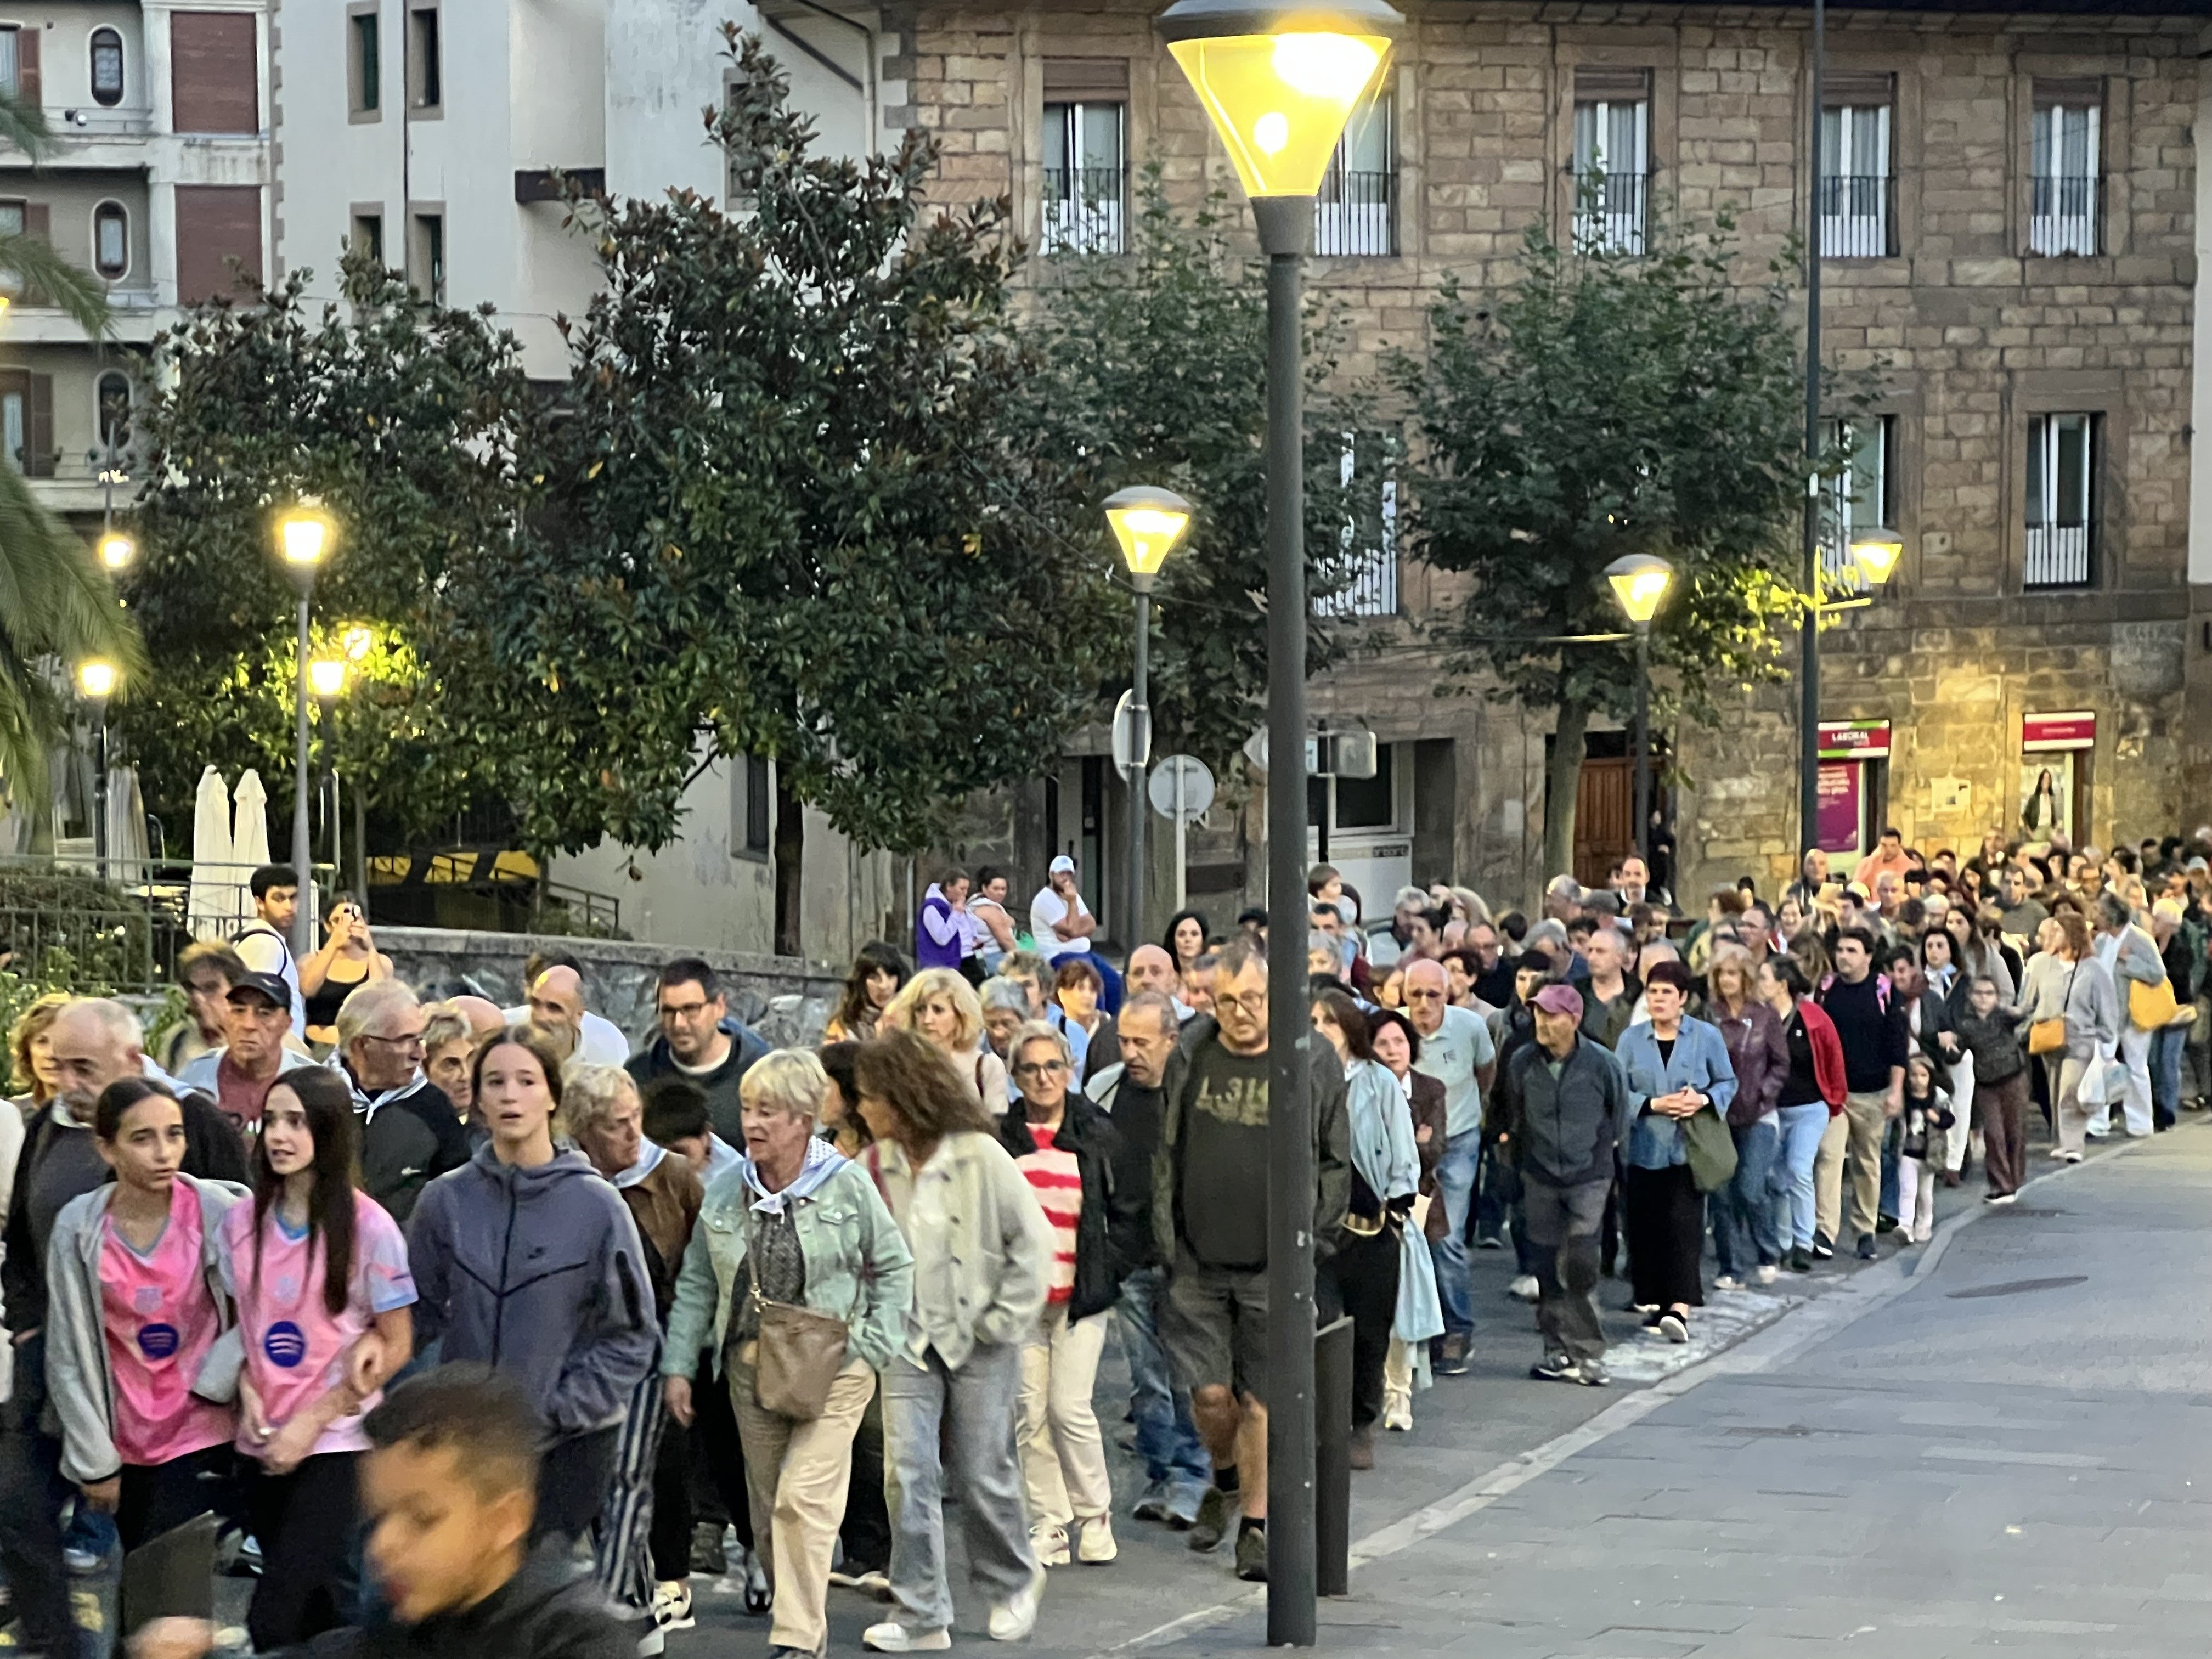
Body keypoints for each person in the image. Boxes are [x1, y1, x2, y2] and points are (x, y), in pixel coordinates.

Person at [663, 1050, 913, 1659]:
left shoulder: (848, 1185)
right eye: (749, 1109)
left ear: (804, 1119)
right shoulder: (726, 1190)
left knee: (804, 1499)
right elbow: (697, 1281)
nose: (752, 1122)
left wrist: (871, 1346)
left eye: (768, 1111)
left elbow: (895, 1266)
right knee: (772, 1509)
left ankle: (798, 1640)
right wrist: (678, 1365)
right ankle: (798, 1613)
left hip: (835, 1365)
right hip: (751, 1369)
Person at [133, 1364, 637, 1659]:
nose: (384, 1546)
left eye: (422, 1518)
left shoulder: (579, 1644)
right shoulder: (405, 1628)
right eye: (378, 1518)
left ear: (505, 1520)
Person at [405, 1025, 658, 1544]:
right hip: (469, 1442)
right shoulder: (445, 1201)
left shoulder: (598, 1206)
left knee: (536, 1592)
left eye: (526, 1081)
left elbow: (633, 1335)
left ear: (551, 1096)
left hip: (567, 1446)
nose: (511, 1096)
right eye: (495, 1082)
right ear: (477, 1099)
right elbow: (413, 1317)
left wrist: (563, 1407)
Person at [1152, 937, 1350, 1584]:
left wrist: (1313, 1237)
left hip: (1277, 1263)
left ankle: (1256, 1527)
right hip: (1199, 1259)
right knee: (1212, 1398)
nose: (1239, 1014)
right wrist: (1168, 1239)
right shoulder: (1192, 1052)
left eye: (1253, 1001)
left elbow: (1332, 1156)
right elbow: (1167, 1150)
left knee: (1262, 1402)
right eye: (1226, 1001)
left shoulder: (1312, 1059)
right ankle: (1226, 1477)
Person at [850, 1029, 1052, 1652]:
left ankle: (1012, 1580)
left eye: (870, 1097)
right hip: (908, 1340)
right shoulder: (871, 1167)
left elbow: (1035, 1243)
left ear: (902, 1096)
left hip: (981, 1338)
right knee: (905, 1474)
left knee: (984, 1469)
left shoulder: (981, 1156)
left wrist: (1001, 1319)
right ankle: (921, 1613)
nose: (861, 1108)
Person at [220, 1066, 416, 1650]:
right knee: (318, 1610)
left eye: (296, 1122)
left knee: (272, 1616)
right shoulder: (238, 1222)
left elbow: (396, 1340)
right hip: (260, 1440)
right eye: (271, 1120)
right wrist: (248, 1390)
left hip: (335, 1443)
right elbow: (239, 1331)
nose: (278, 1136)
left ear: (328, 1131)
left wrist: (314, 1418)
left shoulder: (370, 1229)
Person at [44, 1077, 244, 1556]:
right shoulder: (79, 1226)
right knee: (135, 1597)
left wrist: (215, 1379)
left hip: (201, 1431)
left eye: (173, 1134)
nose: (163, 1152)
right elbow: (68, 1353)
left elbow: (264, 1310)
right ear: (107, 1149)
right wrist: (95, 1461)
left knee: (174, 1590)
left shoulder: (216, 1211)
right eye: (142, 1138)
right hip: (124, 1438)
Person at [564, 1065, 705, 1641]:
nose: (633, 1136)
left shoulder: (672, 1177)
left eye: (636, 1121)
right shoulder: (564, 1179)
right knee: (593, 1480)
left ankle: (617, 1610)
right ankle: (643, 1610)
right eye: (618, 1126)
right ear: (584, 1131)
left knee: (626, 1476)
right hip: (578, 1346)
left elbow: (700, 1272)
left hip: (652, 1340)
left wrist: (689, 1359)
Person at [999, 1023, 1137, 1568]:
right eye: (1030, 1069)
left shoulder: (1097, 1133)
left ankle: (1095, 1513)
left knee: (1068, 1407)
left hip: (1082, 1296)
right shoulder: (1001, 1141)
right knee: (1028, 1412)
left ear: (1069, 1069)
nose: (1042, 1078)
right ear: (1015, 1076)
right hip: (1023, 1299)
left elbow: (1128, 1210)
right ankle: (1049, 1521)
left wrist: (1110, 1271)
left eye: (1052, 1066)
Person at [1083, 994, 1209, 1527]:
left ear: (1171, 1039)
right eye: (1125, 1041)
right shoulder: (1104, 1090)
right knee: (1147, 1377)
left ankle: (1196, 1477)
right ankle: (1161, 1475)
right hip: (1128, 1254)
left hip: (1188, 1256)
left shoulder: (1196, 1093)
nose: (1131, 1052)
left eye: (1142, 1042)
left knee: (1190, 1375)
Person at [1308, 992, 1418, 1468]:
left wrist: (1395, 1211)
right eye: (1312, 1021)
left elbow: (1402, 1151)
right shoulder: (1305, 1080)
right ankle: (1323, 1423)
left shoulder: (1379, 1083)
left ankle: (1360, 1423)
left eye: (1326, 1022)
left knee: (1371, 1332)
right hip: (1321, 1226)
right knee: (1322, 1322)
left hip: (1372, 1228)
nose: (1317, 1029)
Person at [1500, 983, 1628, 1386]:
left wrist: (1604, 1154)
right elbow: (1512, 1112)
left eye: (1552, 1015)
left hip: (1589, 1173)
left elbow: (1620, 1114)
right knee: (1545, 1265)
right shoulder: (1522, 1061)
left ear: (1573, 1020)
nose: (1543, 1022)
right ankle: (1556, 1349)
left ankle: (1588, 1351)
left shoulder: (1602, 1063)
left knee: (1579, 1260)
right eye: (1539, 1014)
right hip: (1539, 1173)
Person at [1612, 962, 1735, 1342]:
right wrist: (1651, 1105)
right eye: (1653, 992)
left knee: (1684, 1227)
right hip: (1644, 1148)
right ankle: (1657, 1301)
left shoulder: (1705, 1036)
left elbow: (1727, 1081)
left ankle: (1680, 1307)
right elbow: (1618, 1092)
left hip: (1688, 1150)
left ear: (1683, 999)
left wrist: (1703, 1099)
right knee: (1647, 1228)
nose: (1659, 1000)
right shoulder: (1631, 1040)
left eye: (1667, 993)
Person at [1401, 958, 1496, 1375]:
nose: (1423, 1004)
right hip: (1406, 1145)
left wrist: (1471, 1114)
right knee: (1411, 1237)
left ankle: (1457, 1329)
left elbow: (1486, 1072)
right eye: (1415, 995)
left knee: (1448, 1237)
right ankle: (1423, 1330)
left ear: (1448, 995)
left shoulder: (1469, 1027)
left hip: (1457, 1140)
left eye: (1432, 995)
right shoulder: (1394, 1030)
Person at [1368, 1007, 1447, 1426]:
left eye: (1399, 1041)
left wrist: (1415, 1144)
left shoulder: (1430, 1088)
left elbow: (1432, 1150)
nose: (1392, 1049)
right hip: (1366, 1207)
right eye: (1382, 1043)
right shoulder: (1361, 1090)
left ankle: (1399, 1395)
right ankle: (1377, 1391)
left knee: (1404, 1303)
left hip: (1414, 1204)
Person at [336, 981, 472, 1223]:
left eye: (419, 1041)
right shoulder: (314, 1099)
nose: (419, 1054)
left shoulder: (433, 1106)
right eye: (406, 1041)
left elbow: (459, 1201)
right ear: (362, 1045)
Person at [1814, 929, 1909, 1261]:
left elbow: (1898, 1045)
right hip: (1835, 1093)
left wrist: (1897, 1090)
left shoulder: (1883, 991)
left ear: (1868, 956)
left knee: (1867, 1164)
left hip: (1873, 1092)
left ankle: (1865, 1229)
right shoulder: (1827, 990)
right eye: (1840, 950)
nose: (1844, 956)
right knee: (1828, 1157)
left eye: (1852, 950)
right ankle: (1825, 1230)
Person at [1703, 952, 1787, 1290]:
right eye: (1721, 973)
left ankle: (1768, 1252)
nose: (1727, 980)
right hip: (1719, 1116)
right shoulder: (1709, 1016)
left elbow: (1780, 1065)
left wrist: (1764, 1093)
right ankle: (1731, 1267)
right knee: (1721, 1195)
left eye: (1733, 973)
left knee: (1751, 1188)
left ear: (1745, 978)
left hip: (1759, 1116)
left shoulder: (1766, 1017)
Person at [624, 957, 771, 1147]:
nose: (678, 1023)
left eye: (691, 1009)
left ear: (719, 1007)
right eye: (668, 1011)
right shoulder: (640, 1075)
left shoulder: (759, 1073)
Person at [1758, 958, 1844, 1272]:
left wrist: (1835, 1099)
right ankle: (1783, 1243)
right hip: (1773, 1109)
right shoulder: (1760, 1017)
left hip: (1809, 1107)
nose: (1758, 982)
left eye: (1764, 977)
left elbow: (1833, 1055)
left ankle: (1804, 1241)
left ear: (1782, 984)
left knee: (1798, 1168)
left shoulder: (1813, 1017)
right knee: (1776, 1177)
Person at [178, 970, 321, 1136]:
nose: (248, 1025)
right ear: (227, 1018)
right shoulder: (194, 1077)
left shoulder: (311, 1084)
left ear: (286, 1025)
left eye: (265, 1014)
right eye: (239, 1011)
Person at [2030, 911, 2119, 1162]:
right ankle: (2060, 1140)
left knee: (2070, 1091)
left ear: (2073, 934)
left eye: (2059, 930)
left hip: (2081, 1039)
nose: (2053, 935)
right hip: (2049, 1037)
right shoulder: (2042, 964)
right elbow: (2030, 1000)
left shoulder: (2094, 969)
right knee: (2054, 1091)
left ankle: (2073, 1144)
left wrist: (2101, 1036)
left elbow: (2108, 1007)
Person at [883, 968, 1007, 1114]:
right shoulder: (900, 1066)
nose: (928, 1020)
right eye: (921, 1009)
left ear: (960, 1016)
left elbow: (997, 1127)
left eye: (938, 1010)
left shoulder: (986, 1066)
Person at [2094, 891, 2164, 1139]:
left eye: (2100, 913)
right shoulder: (2101, 941)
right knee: (2100, 1065)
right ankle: (2098, 1121)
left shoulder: (2140, 939)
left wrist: (2130, 961)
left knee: (2136, 1067)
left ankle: (2141, 1122)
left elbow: (2158, 973)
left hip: (2134, 1015)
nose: (2096, 917)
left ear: (2112, 916)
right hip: (2106, 1013)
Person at [1955, 975, 2030, 1201]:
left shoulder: (2004, 1017)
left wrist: (2024, 1010)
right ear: (1971, 996)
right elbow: (1958, 1050)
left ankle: (2015, 1180)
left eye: (1989, 993)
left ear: (1997, 997)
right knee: (1994, 1133)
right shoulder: (1965, 1023)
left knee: (2015, 1132)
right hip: (1987, 1084)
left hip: (2014, 1078)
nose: (1984, 998)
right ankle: (2001, 1185)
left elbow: (2026, 1015)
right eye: (1979, 993)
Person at [498, 952, 631, 1068]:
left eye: (554, 1008)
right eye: (536, 1003)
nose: (541, 1016)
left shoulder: (609, 1043)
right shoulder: (501, 1030)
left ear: (579, 1015)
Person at [299, 895, 394, 1052]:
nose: (346, 927)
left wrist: (370, 947)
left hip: (360, 1048)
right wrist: (334, 944)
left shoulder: (381, 962)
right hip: (318, 1046)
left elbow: (380, 1000)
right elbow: (308, 989)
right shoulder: (310, 961)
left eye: (352, 920)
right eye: (338, 921)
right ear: (328, 925)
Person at [233, 864, 307, 1041]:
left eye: (293, 898)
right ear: (260, 903)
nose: (289, 907)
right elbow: (258, 1006)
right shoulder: (265, 944)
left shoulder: (261, 939)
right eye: (279, 899)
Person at [157, 942, 249, 1076]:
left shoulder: (268, 1042)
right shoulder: (177, 1042)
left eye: (210, 988)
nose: (197, 998)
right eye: (191, 988)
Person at [1893, 1054, 1954, 1245]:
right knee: (1907, 1190)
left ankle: (1924, 1226)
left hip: (1930, 1154)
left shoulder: (1938, 1097)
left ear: (1930, 1077)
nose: (1918, 1080)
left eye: (1923, 1075)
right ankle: (1905, 1225)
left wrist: (1936, 1118)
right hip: (1908, 1152)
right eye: (1913, 1075)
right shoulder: (1904, 1098)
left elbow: (1949, 1120)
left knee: (1925, 1194)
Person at [1048, 957, 1118, 1085]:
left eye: (1092, 990)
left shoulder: (1108, 1025)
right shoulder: (1054, 1030)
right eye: (1081, 988)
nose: (1088, 996)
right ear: (1062, 994)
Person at [825, 942, 910, 1043]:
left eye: (890, 977)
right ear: (861, 982)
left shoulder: (913, 1020)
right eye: (874, 978)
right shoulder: (842, 1027)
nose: (883, 986)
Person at [1577, 924, 1638, 1051]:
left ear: (1620, 957)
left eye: (1600, 951)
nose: (1592, 958)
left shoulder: (1638, 995)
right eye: (1590, 951)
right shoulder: (1575, 992)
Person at [1031, 855, 1097, 967]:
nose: (1065, 878)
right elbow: (1071, 929)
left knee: (1113, 979)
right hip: (1058, 956)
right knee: (1092, 981)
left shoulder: (1072, 894)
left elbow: (1091, 924)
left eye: (1069, 874)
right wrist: (1072, 902)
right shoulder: (1045, 898)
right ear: (1051, 875)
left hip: (1083, 953)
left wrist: (1072, 934)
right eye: (1061, 874)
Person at [917, 867, 975, 977]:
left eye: (967, 889)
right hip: (940, 966)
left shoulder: (952, 905)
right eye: (962, 889)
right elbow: (942, 938)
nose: (965, 894)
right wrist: (957, 913)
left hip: (960, 960)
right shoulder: (932, 908)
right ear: (949, 887)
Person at [969, 869, 1020, 976]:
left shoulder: (974, 903)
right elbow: (1006, 941)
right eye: (996, 889)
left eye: (1003, 889)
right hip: (993, 958)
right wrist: (1019, 963)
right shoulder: (988, 908)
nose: (1001, 893)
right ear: (984, 888)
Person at [1855, 827, 1912, 893]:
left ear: (1899, 846)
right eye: (1884, 845)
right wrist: (1873, 862)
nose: (1888, 849)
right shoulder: (1865, 863)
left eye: (1893, 846)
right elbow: (1856, 888)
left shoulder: (1911, 867)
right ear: (1878, 844)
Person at [1164, 910, 1210, 978]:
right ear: (1173, 941)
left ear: (1203, 940)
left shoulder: (1216, 979)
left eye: (1194, 934)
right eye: (1182, 934)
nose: (1188, 939)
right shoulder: (1164, 979)